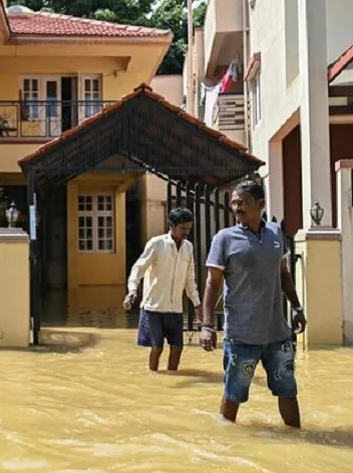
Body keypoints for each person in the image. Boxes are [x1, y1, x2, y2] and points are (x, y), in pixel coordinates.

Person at [199, 180, 307, 428]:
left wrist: (297, 307)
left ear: (260, 204)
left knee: (288, 391)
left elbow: (283, 274)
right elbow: (212, 284)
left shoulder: (275, 234)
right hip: (241, 336)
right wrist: (206, 325)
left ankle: (297, 440)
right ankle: (227, 442)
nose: (237, 207)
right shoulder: (224, 239)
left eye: (243, 202)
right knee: (233, 394)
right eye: (234, 202)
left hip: (277, 335)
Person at [124, 208, 202, 372]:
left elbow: (189, 280)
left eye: (189, 228)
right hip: (154, 307)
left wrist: (197, 305)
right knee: (157, 347)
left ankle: (171, 375)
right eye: (182, 229)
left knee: (177, 348)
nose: (186, 232)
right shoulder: (156, 243)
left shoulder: (188, 247)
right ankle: (154, 377)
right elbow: (139, 268)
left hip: (175, 309)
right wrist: (132, 290)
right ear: (171, 225)